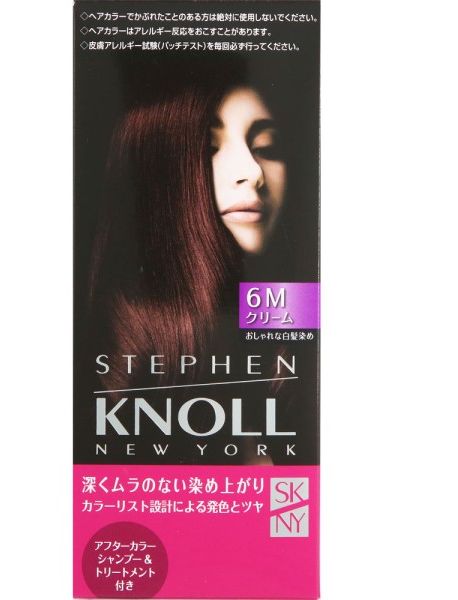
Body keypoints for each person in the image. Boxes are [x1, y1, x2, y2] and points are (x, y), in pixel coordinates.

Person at [81, 56, 318, 464]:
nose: (252, 172)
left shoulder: (298, 311)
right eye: (210, 147)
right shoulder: (113, 357)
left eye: (267, 146)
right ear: (158, 173)